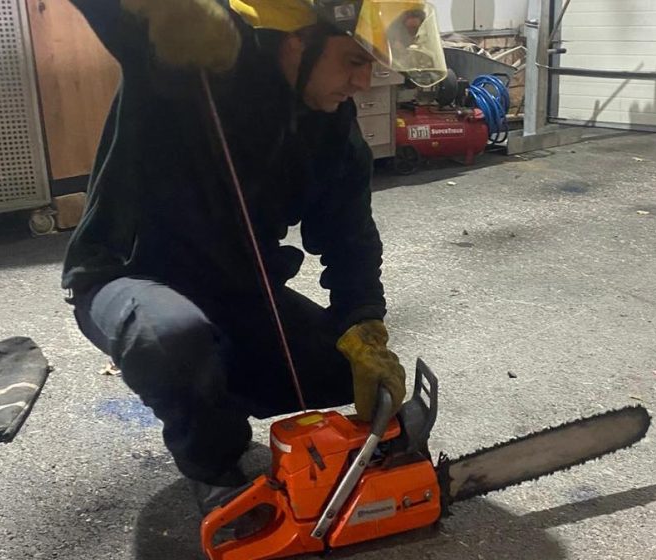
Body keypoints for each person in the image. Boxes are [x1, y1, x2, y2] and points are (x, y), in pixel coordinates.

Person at [63, 0, 447, 514]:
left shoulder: (332, 125)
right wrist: (156, 9)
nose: (363, 82)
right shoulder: (200, 56)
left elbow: (349, 233)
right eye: (354, 61)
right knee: (172, 340)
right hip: (130, 279)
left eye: (372, 66)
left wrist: (363, 323)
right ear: (298, 42)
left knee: (343, 373)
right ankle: (216, 468)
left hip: (236, 291)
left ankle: (208, 386)